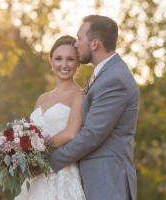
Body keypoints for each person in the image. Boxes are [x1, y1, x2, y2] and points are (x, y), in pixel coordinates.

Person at [49, 15, 139, 200]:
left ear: (95, 44)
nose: (76, 44)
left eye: (80, 38)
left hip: (107, 182)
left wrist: (49, 161)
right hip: (97, 180)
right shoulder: (105, 75)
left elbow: (91, 135)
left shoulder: (114, 80)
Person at [14, 35, 86, 200]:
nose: (64, 64)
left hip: (62, 173)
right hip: (37, 175)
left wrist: (36, 150)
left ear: (77, 63)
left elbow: (70, 134)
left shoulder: (79, 95)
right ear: (51, 62)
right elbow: (30, 133)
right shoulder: (42, 98)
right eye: (58, 59)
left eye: (70, 59)